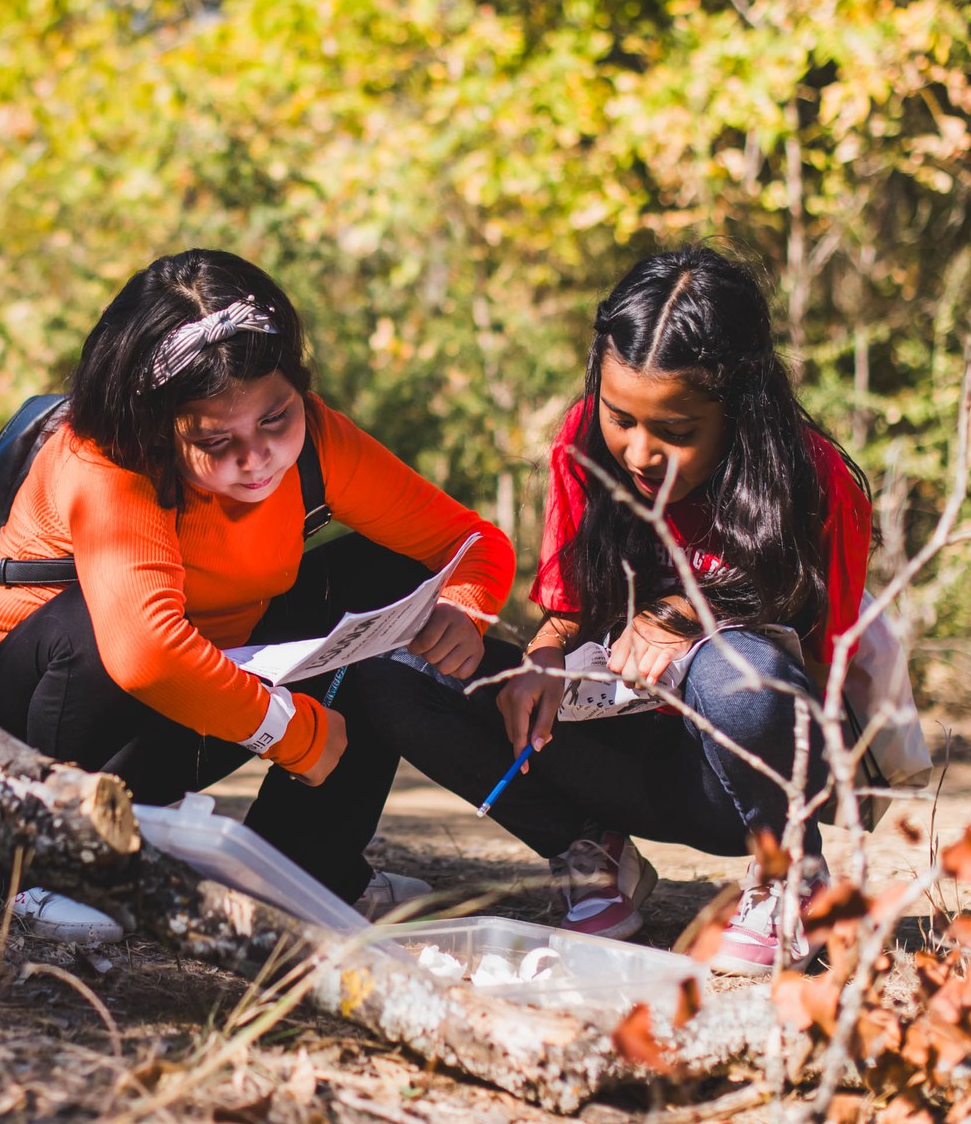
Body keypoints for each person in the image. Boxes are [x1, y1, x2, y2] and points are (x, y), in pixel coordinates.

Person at [0, 249, 517, 942]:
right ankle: (37, 865)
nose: (257, 456)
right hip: (23, 722)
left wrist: (466, 602)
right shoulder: (108, 460)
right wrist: (292, 731)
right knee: (100, 617)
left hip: (196, 692)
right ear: (155, 423)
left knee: (384, 575)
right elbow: (145, 653)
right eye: (215, 439)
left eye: (276, 418)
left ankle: (304, 871)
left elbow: (472, 543)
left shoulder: (319, 442)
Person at [363, 245, 871, 975]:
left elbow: (824, 672)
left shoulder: (812, 477)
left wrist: (690, 620)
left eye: (677, 430)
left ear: (740, 405)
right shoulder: (579, 445)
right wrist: (540, 660)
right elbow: (569, 609)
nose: (639, 450)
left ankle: (793, 879)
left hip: (741, 774)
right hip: (614, 753)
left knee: (738, 672)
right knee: (398, 668)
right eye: (620, 416)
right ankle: (589, 850)